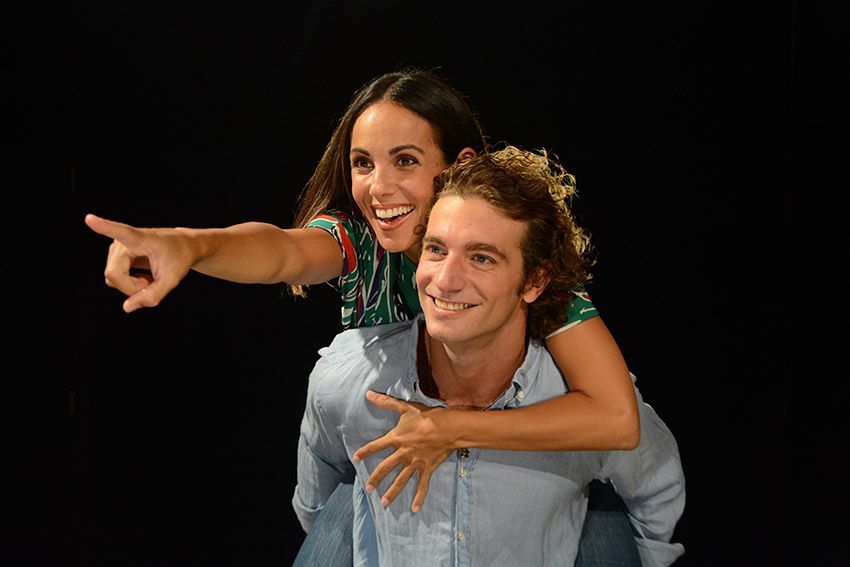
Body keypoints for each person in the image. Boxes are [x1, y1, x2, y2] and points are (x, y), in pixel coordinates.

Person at [84, 70, 639, 509]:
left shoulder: (517, 260)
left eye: (405, 161)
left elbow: (617, 418)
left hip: (527, 481)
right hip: (398, 476)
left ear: (459, 165)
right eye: (362, 164)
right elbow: (282, 251)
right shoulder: (362, 241)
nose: (378, 187)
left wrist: (452, 429)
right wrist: (187, 245)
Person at [293, 146, 685, 566]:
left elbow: (656, 492)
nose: (446, 280)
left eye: (481, 258)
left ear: (534, 282)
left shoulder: (581, 405)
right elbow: (318, 511)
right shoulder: (347, 380)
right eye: (436, 249)